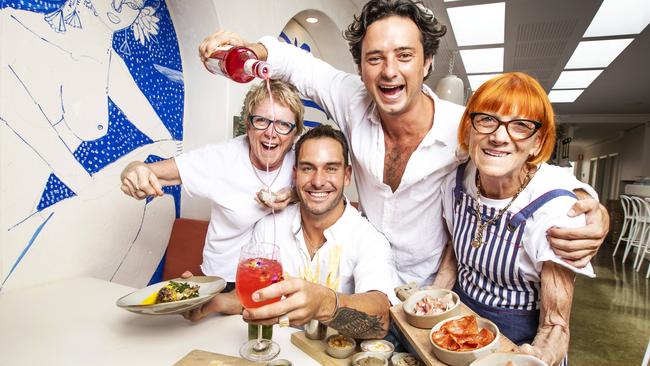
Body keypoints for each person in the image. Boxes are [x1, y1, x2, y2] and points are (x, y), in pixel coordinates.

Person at [198, 0, 608, 291]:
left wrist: (585, 199)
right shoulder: (351, 99)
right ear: (360, 67)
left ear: (427, 62)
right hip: (363, 282)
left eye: (404, 55)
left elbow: (522, 158)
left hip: (434, 292)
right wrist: (252, 49)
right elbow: (295, 64)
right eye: (374, 58)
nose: (389, 71)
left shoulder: (460, 127)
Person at [433, 73, 595, 365]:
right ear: (469, 130)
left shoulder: (556, 210)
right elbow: (453, 255)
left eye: (520, 125)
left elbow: (555, 325)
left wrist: (537, 357)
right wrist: (433, 300)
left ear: (537, 143)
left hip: (520, 339)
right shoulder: (454, 183)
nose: (498, 135)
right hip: (457, 324)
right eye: (486, 120)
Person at [190, 125, 397, 338]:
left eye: (331, 169)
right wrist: (212, 301)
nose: (318, 181)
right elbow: (256, 293)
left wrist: (324, 304)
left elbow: (380, 321)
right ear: (295, 174)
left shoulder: (369, 239)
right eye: (308, 168)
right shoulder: (269, 226)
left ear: (346, 175)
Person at [120, 79, 303, 303]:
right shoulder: (222, 159)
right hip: (224, 282)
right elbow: (148, 171)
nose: (271, 133)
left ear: (295, 134)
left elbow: (326, 193)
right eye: (261, 121)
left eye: (283, 124)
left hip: (278, 279)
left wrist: (294, 195)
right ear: (247, 124)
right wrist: (134, 171)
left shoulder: (302, 164)